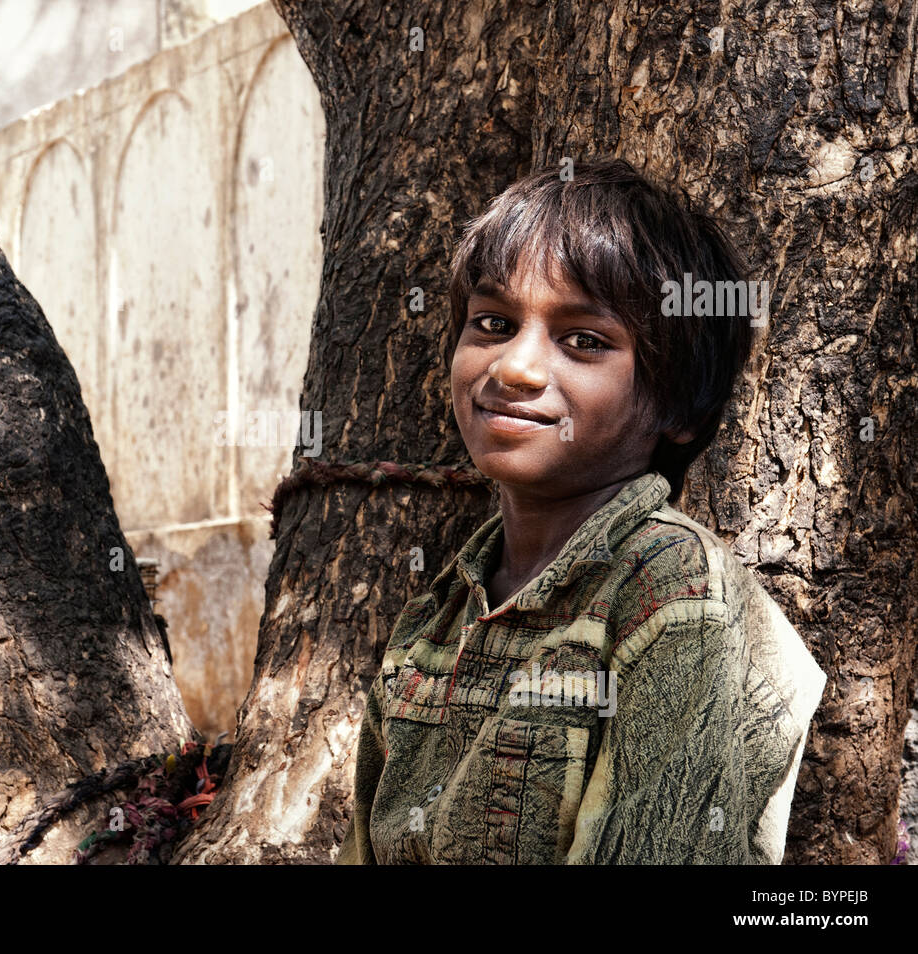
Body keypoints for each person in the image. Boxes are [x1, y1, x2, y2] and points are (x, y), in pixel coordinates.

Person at [336, 158, 826, 864]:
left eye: (585, 341)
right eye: (493, 323)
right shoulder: (438, 613)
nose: (514, 369)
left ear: (677, 408)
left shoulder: (670, 591)